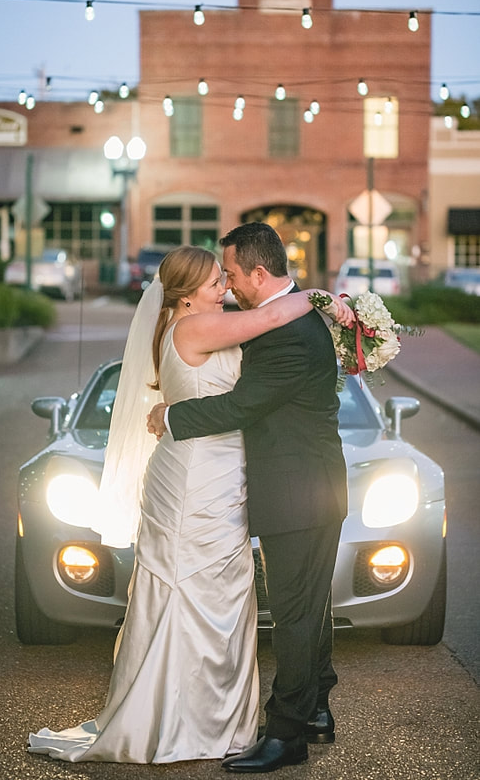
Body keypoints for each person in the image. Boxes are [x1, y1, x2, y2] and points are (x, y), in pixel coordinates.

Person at [28, 244, 352, 766]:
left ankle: (231, 714)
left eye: (227, 277)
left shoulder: (203, 324)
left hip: (221, 477)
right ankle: (184, 717)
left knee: (219, 597)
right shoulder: (194, 327)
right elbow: (268, 324)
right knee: (193, 593)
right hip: (195, 478)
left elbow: (264, 353)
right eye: (214, 281)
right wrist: (316, 297)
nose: (224, 286)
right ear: (184, 295)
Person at [147, 224, 349, 773]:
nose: (230, 286)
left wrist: (171, 416)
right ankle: (315, 711)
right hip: (305, 487)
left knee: (296, 614)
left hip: (299, 492)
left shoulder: (287, 331)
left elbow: (241, 407)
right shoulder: (286, 317)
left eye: (231, 275)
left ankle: (288, 735)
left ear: (259, 274)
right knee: (310, 608)